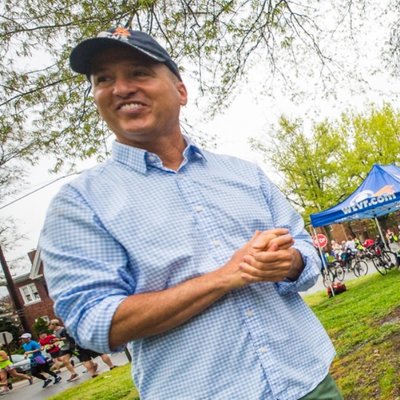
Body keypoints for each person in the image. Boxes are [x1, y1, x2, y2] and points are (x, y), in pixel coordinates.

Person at [40, 27, 343, 399]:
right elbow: (93, 322)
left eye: (138, 73)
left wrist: (291, 262)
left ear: (180, 91)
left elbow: (306, 249)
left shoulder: (244, 174)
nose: (121, 88)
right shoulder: (79, 204)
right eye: (104, 79)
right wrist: (223, 277)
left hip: (308, 380)